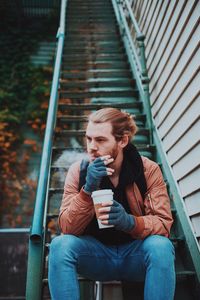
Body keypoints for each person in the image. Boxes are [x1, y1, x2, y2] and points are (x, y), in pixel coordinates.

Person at [49, 108, 175, 300]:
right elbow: (67, 228)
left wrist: (130, 222)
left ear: (122, 141)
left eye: (100, 140)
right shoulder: (78, 171)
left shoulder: (148, 170)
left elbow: (164, 223)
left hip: (135, 255)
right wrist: (87, 190)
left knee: (161, 246)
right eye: (88, 138)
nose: (91, 147)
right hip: (96, 256)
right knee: (60, 245)